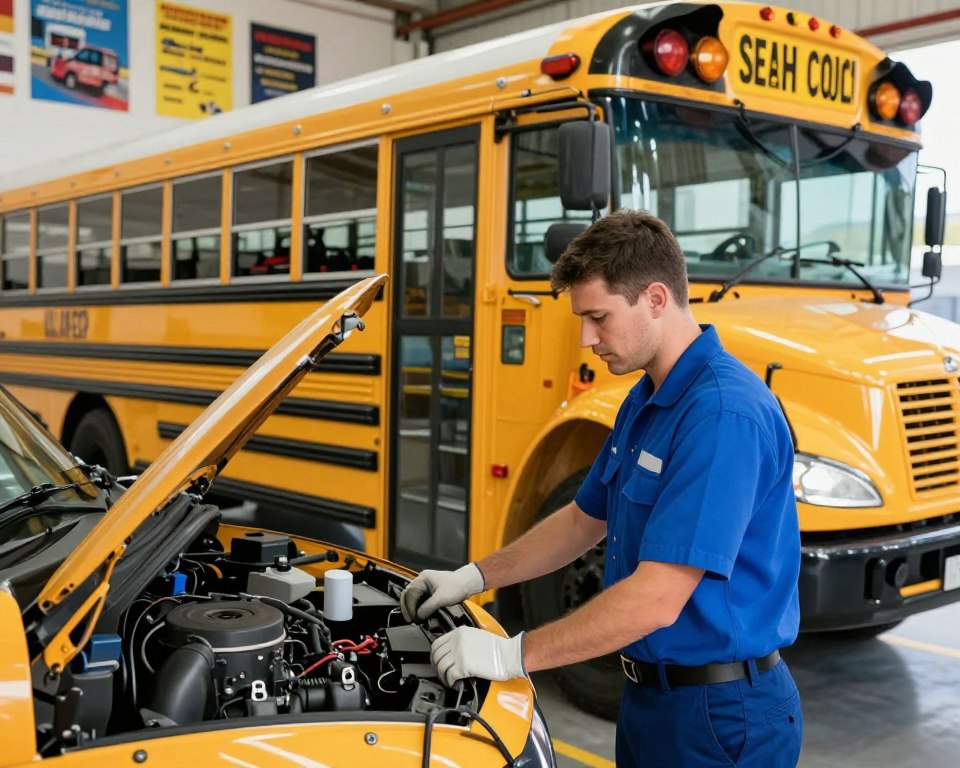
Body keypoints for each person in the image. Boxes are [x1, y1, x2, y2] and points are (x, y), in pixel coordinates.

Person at [400, 209, 802, 767]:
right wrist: (473, 577)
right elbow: (582, 520)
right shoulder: (646, 398)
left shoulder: (721, 415)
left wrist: (510, 653)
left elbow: (658, 598)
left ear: (656, 299)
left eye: (598, 317)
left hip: (719, 715)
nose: (588, 339)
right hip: (648, 699)